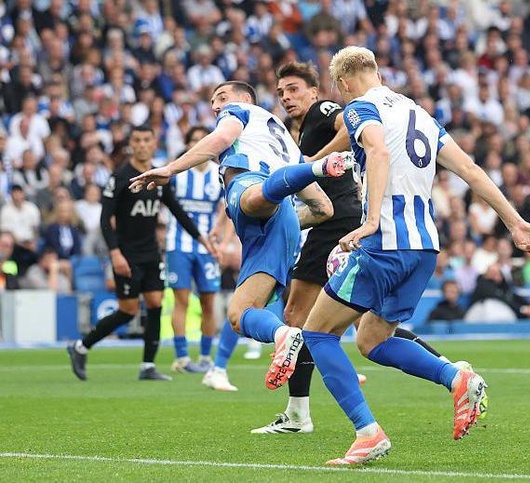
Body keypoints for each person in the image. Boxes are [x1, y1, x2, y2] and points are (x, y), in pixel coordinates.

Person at [273, 46, 530, 466]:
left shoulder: (359, 108)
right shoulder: (418, 114)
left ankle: (368, 433)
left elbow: (379, 152)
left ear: (344, 83)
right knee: (371, 339)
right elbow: (472, 171)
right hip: (424, 247)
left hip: (385, 242)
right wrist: (514, 223)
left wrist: (370, 222)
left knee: (317, 334)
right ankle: (455, 376)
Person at [251, 61, 471, 435]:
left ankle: (312, 418)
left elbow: (360, 136)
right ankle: (451, 373)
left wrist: (315, 162)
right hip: (393, 233)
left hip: (343, 222)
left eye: (293, 89)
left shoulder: (329, 111)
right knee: (365, 332)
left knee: (306, 321)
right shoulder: (308, 128)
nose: (287, 97)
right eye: (282, 93)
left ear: (322, 89)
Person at [128, 81, 351, 392]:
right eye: (212, 101)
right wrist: (284, 220)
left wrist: (171, 168)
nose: (216, 106)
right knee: (239, 314)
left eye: (221, 97)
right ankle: (284, 335)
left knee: (253, 198)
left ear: (245, 98)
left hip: (254, 191)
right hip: (279, 222)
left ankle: (314, 170)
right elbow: (323, 208)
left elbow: (221, 139)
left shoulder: (240, 111)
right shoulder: (286, 140)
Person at [66, 125, 215, 382]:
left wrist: (203, 240)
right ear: (130, 144)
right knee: (128, 309)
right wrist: (115, 253)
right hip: (126, 253)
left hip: (150, 253)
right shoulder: (120, 176)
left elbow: (177, 211)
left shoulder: (158, 175)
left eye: (147, 140)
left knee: (156, 303)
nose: (143, 144)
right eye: (137, 140)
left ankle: (148, 365)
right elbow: (105, 218)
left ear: (154, 143)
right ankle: (81, 346)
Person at [166, 126, 224, 374]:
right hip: (177, 244)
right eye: (194, 140)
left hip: (207, 248)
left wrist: (221, 234)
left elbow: (226, 208)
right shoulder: (177, 172)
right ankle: (181, 357)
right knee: (181, 301)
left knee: (209, 302)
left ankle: (204, 357)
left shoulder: (218, 174)